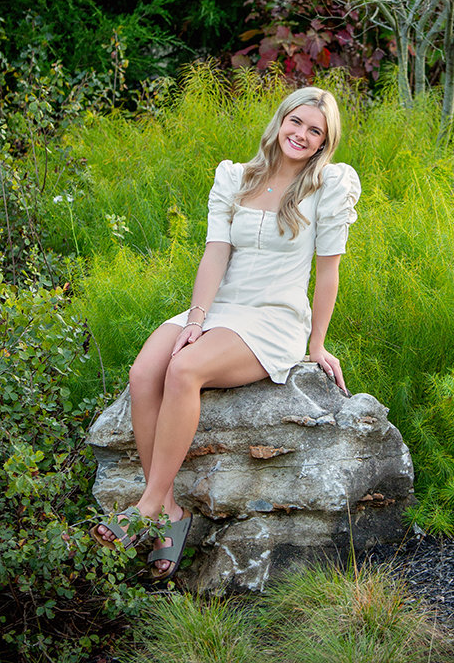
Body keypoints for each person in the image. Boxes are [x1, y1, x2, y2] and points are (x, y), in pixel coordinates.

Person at [90, 86, 361, 580]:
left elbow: (328, 274)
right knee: (144, 371)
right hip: (221, 308)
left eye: (314, 130)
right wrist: (195, 318)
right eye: (295, 122)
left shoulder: (328, 187)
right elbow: (216, 254)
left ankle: (144, 507)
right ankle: (171, 511)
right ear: (280, 122)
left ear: (324, 142)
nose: (301, 134)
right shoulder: (236, 177)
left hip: (273, 318)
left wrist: (317, 344)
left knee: (185, 368)